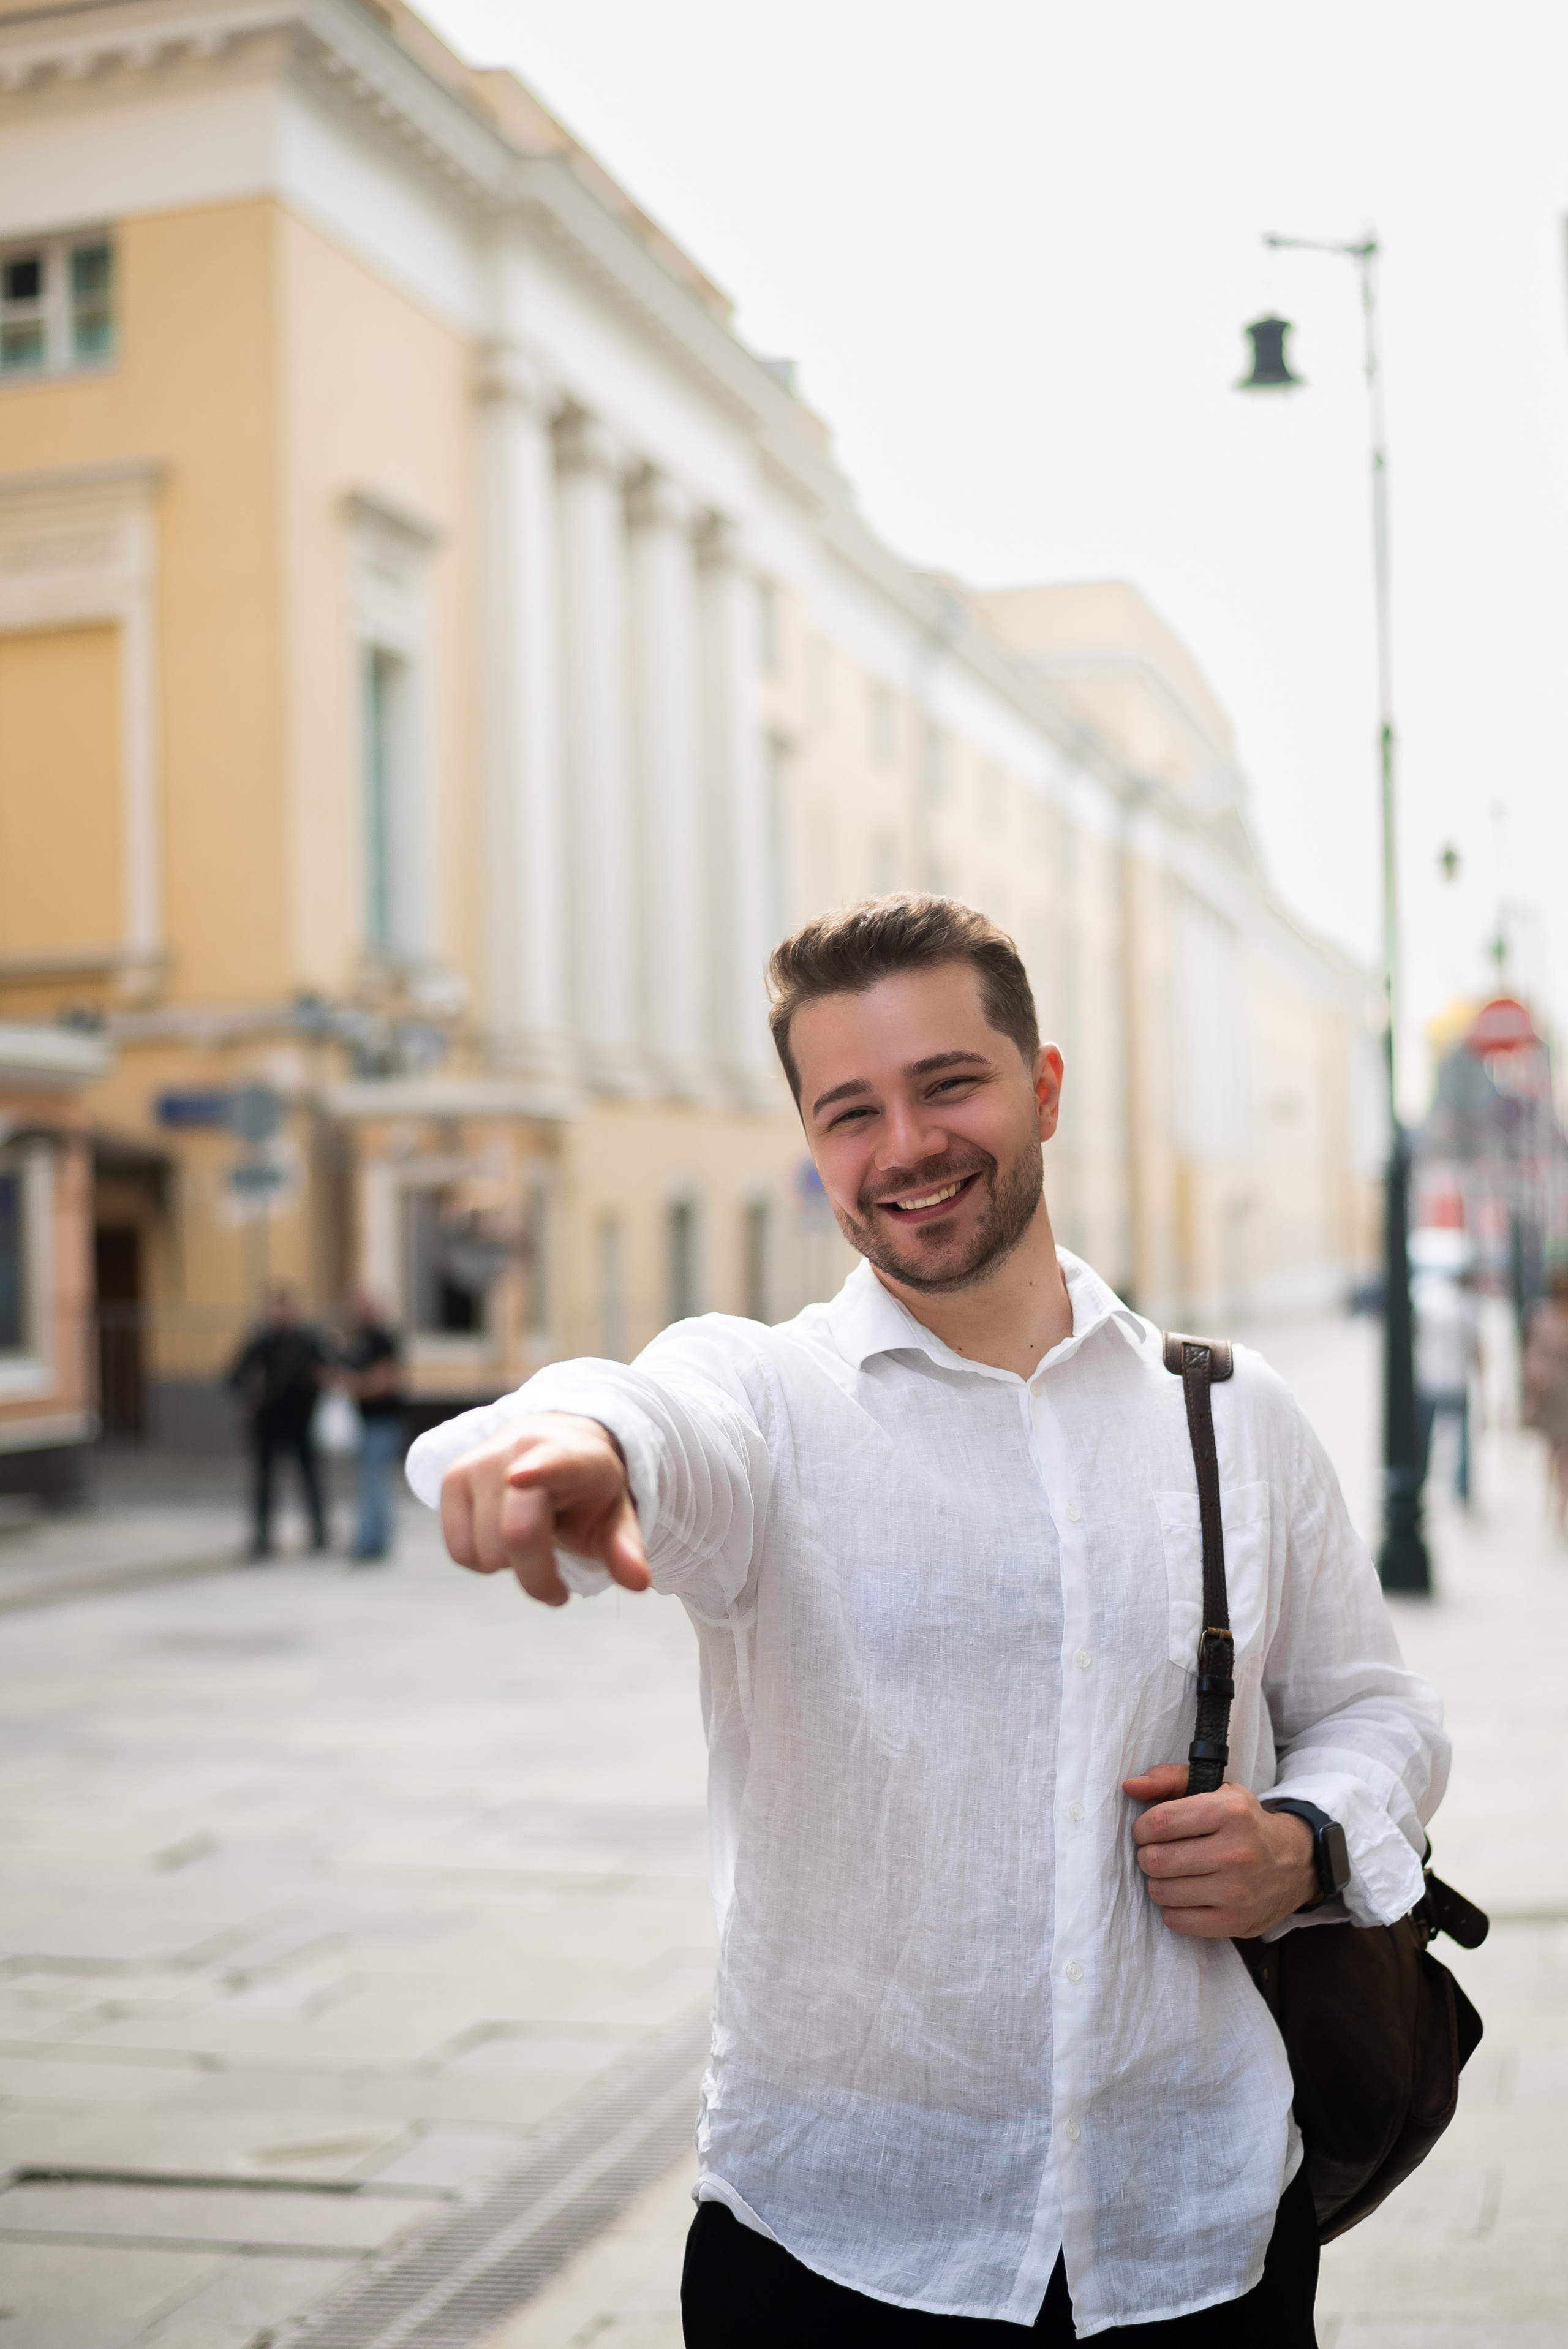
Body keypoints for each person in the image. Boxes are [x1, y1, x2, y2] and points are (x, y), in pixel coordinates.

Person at [409, 896, 1448, 2344]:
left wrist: (1304, 1841)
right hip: (838, 2243)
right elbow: (654, 1399)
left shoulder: (1228, 1411)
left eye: (946, 1082)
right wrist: (567, 1444)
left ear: (1041, 1085)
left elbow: (1376, 1707)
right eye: (849, 1109)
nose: (902, 1145)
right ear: (812, 1142)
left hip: (1194, 2229)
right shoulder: (771, 1398)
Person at [228, 1284, 328, 1559]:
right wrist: (254, 1396)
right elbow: (235, 1376)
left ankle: (319, 1532)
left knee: (310, 1477)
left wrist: (314, 1392)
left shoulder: (308, 1341)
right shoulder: (262, 1342)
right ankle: (262, 1535)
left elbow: (326, 1371)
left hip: (300, 1420)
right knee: (264, 1480)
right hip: (269, 1422)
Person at [337, 1288, 406, 1563]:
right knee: (369, 1483)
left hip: (383, 1421)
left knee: (376, 1483)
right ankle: (369, 1538)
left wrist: (355, 1385)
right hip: (364, 1422)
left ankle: (373, 1541)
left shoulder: (382, 1340)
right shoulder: (358, 1340)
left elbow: (386, 1380)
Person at [1410, 1236, 1480, 1505]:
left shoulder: (1425, 1302)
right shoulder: (1465, 1307)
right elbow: (1476, 1350)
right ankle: (1461, 1487)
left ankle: (1421, 1479)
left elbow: (1415, 1339)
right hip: (1456, 1380)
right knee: (1461, 1440)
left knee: (1426, 1436)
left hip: (1429, 1380)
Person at [1522, 1261, 1568, 1535]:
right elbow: (1531, 1355)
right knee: (1552, 1452)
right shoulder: (1541, 1316)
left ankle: (1561, 1507)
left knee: (1566, 1457)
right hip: (1550, 1396)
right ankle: (1552, 1499)